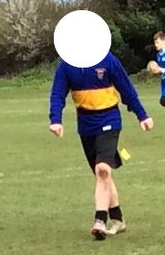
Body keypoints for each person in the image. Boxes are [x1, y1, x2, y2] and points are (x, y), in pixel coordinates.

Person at [48, 50, 153, 240]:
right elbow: (57, 94)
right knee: (102, 175)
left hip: (110, 120)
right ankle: (118, 219)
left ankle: (100, 220)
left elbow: (126, 89)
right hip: (86, 126)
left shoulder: (108, 60)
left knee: (102, 169)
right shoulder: (66, 65)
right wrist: (56, 119)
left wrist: (142, 115)